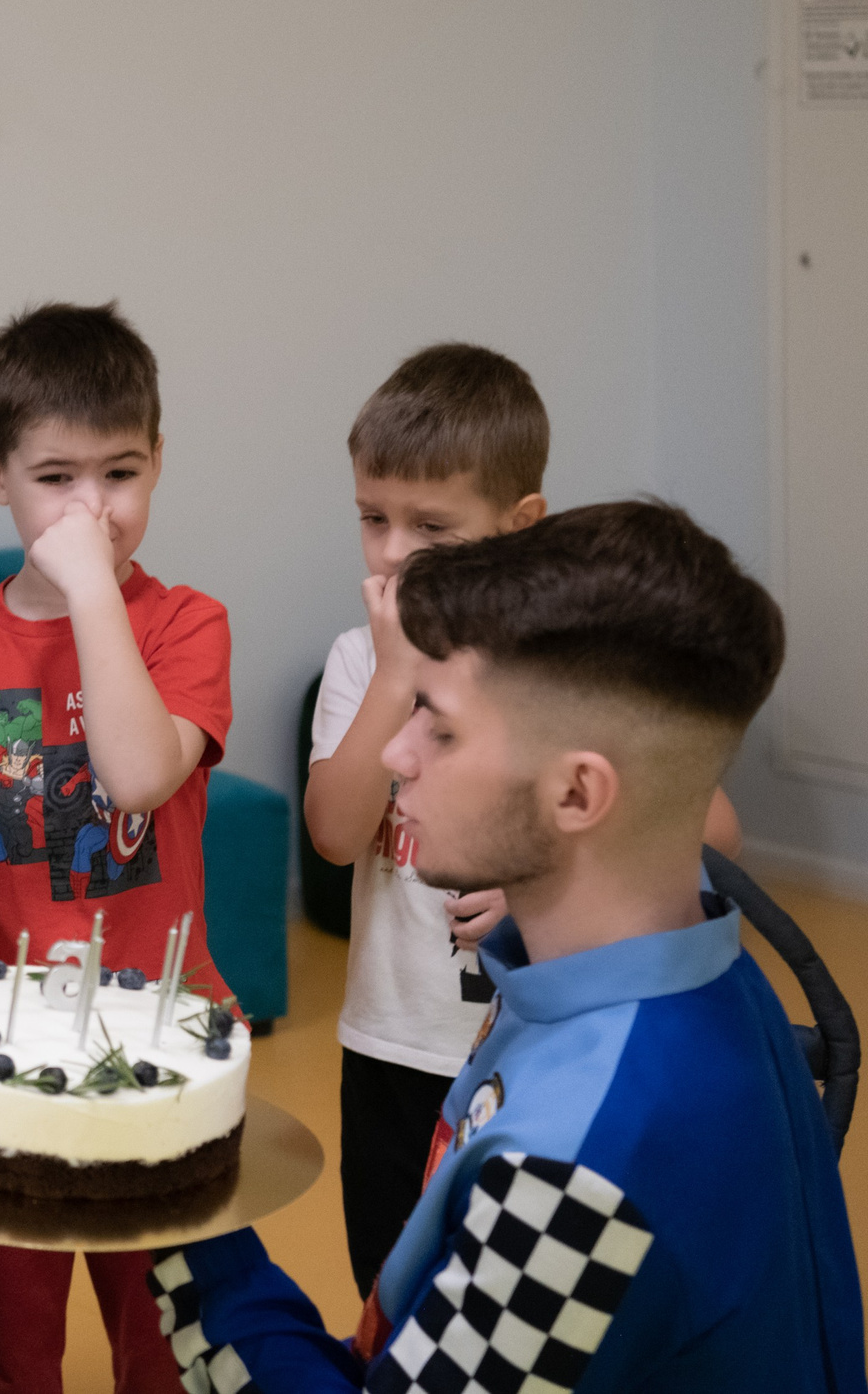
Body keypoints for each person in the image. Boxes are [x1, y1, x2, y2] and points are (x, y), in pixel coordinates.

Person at [152, 501, 866, 1393]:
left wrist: (179, 1215)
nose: (398, 754)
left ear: (576, 794)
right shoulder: (707, 969)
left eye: (441, 725)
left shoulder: (576, 1168)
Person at [307, 344, 744, 1297]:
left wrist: (540, 879)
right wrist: (396, 674)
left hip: (537, 1046)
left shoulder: (564, 666)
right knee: (390, 1288)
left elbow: (712, 827)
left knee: (504, 1284)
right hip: (393, 1045)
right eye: (373, 518)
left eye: (432, 525)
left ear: (519, 525)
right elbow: (335, 835)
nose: (394, 551)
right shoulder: (358, 659)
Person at [0, 302, 231, 1394]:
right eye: (56, 478)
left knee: (165, 1331)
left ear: (159, 460)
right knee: (1, 1338)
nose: (92, 508)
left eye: (120, 474)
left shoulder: (185, 624)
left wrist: (88, 592)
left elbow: (137, 776)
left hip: (157, 1045)